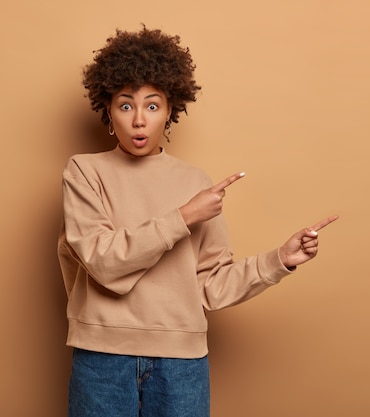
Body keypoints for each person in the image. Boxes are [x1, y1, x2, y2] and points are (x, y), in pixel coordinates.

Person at [57, 27, 338, 417]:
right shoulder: (84, 172)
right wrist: (184, 216)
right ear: (107, 109)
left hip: (180, 364)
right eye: (125, 105)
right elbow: (104, 263)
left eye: (152, 106)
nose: (139, 120)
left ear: (171, 109)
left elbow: (210, 287)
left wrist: (280, 260)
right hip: (103, 359)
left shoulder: (195, 183)